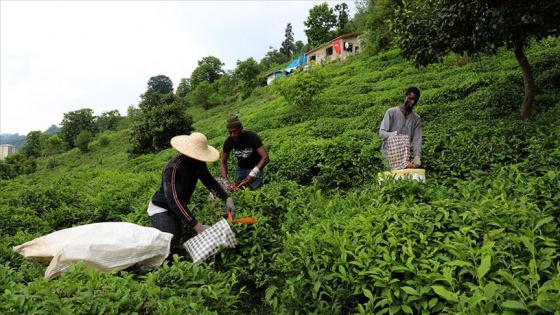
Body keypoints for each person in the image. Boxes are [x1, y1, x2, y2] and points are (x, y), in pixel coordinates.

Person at [147, 132, 236, 258]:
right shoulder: (172, 168)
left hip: (177, 206)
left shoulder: (198, 163)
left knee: (177, 236)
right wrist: (197, 226)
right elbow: (174, 200)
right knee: (170, 240)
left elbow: (209, 181)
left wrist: (227, 198)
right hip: (161, 208)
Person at [221, 114, 270, 190]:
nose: (233, 135)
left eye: (235, 131)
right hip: (240, 169)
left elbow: (265, 158)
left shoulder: (252, 137)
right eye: (230, 132)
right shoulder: (228, 142)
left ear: (241, 128)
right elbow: (223, 161)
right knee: (237, 190)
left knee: (254, 191)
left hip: (256, 168)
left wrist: (253, 173)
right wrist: (225, 180)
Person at [378, 86, 422, 168]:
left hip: (405, 158)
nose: (412, 102)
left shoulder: (416, 119)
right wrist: (395, 135)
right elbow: (381, 133)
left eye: (415, 100)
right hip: (389, 156)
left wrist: (417, 156)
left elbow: (417, 139)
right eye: (410, 98)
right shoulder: (391, 112)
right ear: (405, 97)